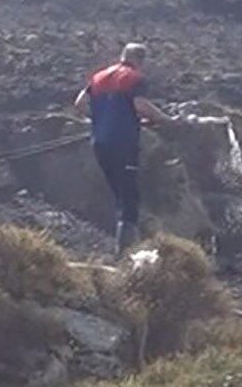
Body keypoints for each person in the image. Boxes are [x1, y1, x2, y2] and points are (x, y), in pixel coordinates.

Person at [73, 43, 181, 256]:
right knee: (129, 197)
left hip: (99, 142)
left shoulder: (99, 77)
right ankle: (125, 252)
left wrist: (100, 119)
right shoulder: (134, 78)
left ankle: (123, 245)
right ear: (141, 60)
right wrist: (166, 120)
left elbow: (79, 103)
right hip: (123, 143)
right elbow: (140, 105)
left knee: (118, 193)